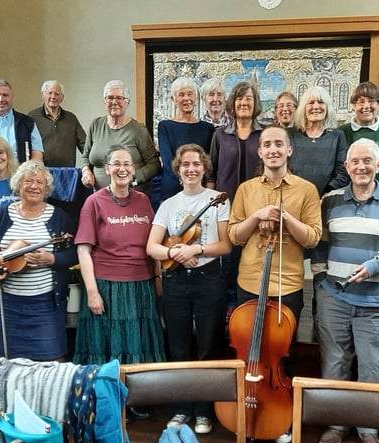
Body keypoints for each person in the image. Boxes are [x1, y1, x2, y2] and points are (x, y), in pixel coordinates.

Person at [312, 138, 379, 443]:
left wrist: (376, 265)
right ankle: (336, 424)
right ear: (347, 166)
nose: (361, 167)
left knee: (372, 367)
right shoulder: (330, 200)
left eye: (368, 160)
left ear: (378, 165)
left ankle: (368, 428)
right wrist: (320, 283)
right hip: (334, 298)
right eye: (355, 161)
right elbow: (320, 245)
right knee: (334, 362)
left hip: (376, 301)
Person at [228, 125, 322, 443]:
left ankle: (280, 418)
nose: (273, 150)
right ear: (259, 151)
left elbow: (312, 237)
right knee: (249, 355)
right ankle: (247, 410)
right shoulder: (246, 189)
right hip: (250, 280)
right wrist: (256, 217)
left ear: (289, 150)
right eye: (266, 144)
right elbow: (234, 236)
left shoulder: (306, 190)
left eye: (279, 144)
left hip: (287, 284)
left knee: (282, 353)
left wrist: (285, 218)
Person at [147, 143, 231, 434]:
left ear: (204, 168)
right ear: (178, 170)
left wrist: (196, 247)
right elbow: (152, 246)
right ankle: (182, 408)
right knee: (179, 345)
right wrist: (174, 253)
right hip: (176, 280)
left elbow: (225, 244)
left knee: (209, 345)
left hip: (208, 278)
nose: (191, 169)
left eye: (196, 164)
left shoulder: (217, 200)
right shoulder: (168, 204)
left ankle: (205, 411)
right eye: (186, 165)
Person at [0, 161, 77, 364]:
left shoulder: (59, 217)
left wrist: (51, 259)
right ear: (18, 185)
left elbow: (74, 252)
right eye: (28, 181)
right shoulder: (1, 214)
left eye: (40, 182)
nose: (34, 186)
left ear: (47, 188)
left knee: (51, 364)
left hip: (45, 306)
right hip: (5, 305)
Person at [73, 145, 166, 366]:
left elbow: (154, 244)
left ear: (133, 169)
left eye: (127, 164)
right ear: (106, 169)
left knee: (140, 350)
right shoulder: (94, 202)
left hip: (141, 288)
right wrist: (92, 292)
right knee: (107, 352)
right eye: (116, 164)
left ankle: (137, 399)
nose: (122, 169)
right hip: (107, 288)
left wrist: (158, 279)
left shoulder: (143, 200)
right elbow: (83, 250)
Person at [207, 80, 264, 318]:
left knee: (254, 254)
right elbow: (211, 172)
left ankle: (253, 302)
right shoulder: (220, 135)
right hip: (226, 205)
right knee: (229, 258)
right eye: (240, 99)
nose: (244, 103)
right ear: (233, 103)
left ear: (255, 103)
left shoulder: (264, 134)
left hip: (257, 204)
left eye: (249, 99)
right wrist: (210, 203)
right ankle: (231, 303)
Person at [80, 80, 161, 198]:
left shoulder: (139, 130)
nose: (114, 102)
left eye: (119, 98)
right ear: (104, 101)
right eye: (110, 98)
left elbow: (154, 164)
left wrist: (133, 177)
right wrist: (86, 172)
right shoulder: (96, 125)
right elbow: (85, 157)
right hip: (100, 197)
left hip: (131, 196)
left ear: (127, 102)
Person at [157, 77, 214, 205]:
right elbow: (167, 161)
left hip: (200, 188)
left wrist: (195, 182)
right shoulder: (165, 126)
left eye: (190, 94)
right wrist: (187, 181)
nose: (186, 99)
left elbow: (208, 161)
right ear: (173, 99)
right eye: (181, 95)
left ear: (196, 98)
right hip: (172, 189)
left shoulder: (208, 128)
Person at [339, 81, 379, 188]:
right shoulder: (342, 132)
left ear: (378, 104)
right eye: (361, 102)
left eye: (371, 101)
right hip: (350, 194)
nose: (366, 106)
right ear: (354, 105)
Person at [287, 86, 349, 196]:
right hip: (294, 198)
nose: (316, 107)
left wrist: (327, 194)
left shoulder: (337, 136)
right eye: (311, 103)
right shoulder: (290, 135)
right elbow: (283, 168)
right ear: (303, 108)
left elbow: (342, 172)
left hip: (327, 200)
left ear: (327, 107)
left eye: (321, 102)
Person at [27, 80, 86, 167]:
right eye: (50, 93)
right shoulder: (32, 117)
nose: (53, 97)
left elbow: (84, 145)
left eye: (57, 94)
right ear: (43, 95)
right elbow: (25, 146)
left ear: (62, 97)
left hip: (67, 173)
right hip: (41, 174)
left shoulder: (71, 118)